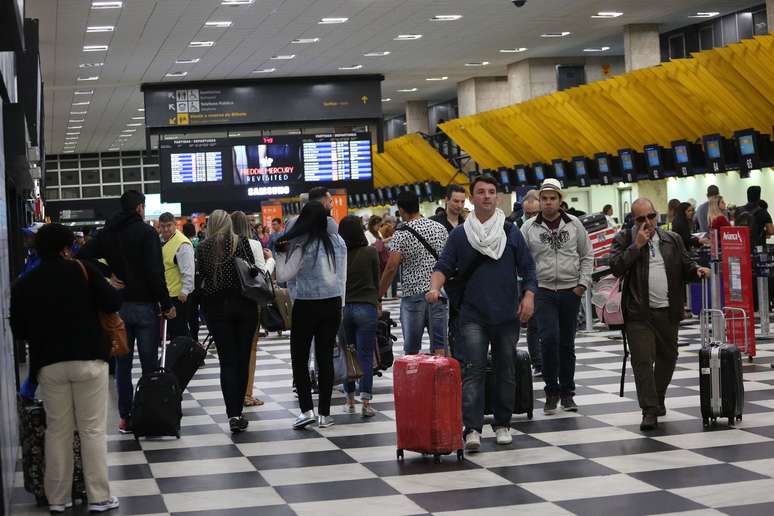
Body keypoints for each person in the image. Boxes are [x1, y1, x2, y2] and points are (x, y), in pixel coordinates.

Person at [11, 224, 122, 513]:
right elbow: (112, 302)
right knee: (92, 430)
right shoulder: (83, 271)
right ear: (66, 247)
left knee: (57, 431)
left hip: (49, 365)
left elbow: (19, 328)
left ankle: (57, 499)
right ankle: (99, 497)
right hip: (89, 359)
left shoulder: (26, 282)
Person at [427, 175, 536, 450]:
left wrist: (530, 296)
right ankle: (472, 428)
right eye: (481, 192)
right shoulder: (461, 235)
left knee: (506, 369)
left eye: (491, 192)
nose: (487, 196)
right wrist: (434, 288)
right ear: (472, 199)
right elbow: (443, 265)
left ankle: (502, 423)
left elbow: (528, 269)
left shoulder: (510, 232)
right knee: (473, 370)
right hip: (473, 315)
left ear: (497, 197)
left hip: (506, 315)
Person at [77, 190, 175, 434]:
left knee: (123, 365)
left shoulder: (107, 232)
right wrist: (166, 303)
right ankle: (151, 413)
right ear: (140, 208)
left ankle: (126, 417)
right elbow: (155, 272)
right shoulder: (147, 233)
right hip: (145, 307)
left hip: (119, 307)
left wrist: (107, 273)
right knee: (150, 363)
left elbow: (82, 256)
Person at [609, 198, 710, 430]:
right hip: (638, 313)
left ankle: (657, 396)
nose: (647, 222)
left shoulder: (671, 239)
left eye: (651, 216)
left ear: (658, 216)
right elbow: (615, 267)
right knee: (643, 361)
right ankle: (649, 410)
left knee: (668, 358)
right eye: (641, 219)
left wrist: (697, 271)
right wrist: (636, 246)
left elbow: (686, 265)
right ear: (633, 220)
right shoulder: (624, 239)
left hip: (668, 311)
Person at [522, 178, 593, 414]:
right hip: (542, 291)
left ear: (560, 200)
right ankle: (551, 391)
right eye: (545, 199)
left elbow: (586, 255)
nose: (549, 203)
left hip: (570, 291)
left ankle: (568, 394)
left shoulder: (574, 224)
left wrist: (581, 285)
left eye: (553, 198)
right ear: (540, 201)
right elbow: (522, 261)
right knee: (549, 340)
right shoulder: (529, 228)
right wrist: (527, 290)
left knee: (566, 343)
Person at [277, 202, 346, 429]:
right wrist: (341, 304)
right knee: (325, 357)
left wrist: (279, 255)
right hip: (334, 304)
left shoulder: (301, 243)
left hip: (307, 305)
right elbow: (342, 277)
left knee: (300, 356)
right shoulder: (339, 242)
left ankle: (307, 410)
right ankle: (325, 415)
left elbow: (284, 275)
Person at [195, 210, 260, 433]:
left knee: (227, 362)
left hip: (216, 311)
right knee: (242, 360)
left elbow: (201, 277)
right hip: (244, 308)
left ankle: (232, 413)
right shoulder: (241, 242)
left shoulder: (203, 248)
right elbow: (252, 272)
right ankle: (239, 411)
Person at [379, 190, 449, 355]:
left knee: (412, 349)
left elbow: (391, 267)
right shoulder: (439, 228)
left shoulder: (401, 233)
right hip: (437, 292)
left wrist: (379, 294)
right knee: (440, 345)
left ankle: (415, 379)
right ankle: (441, 379)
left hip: (413, 295)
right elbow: (448, 259)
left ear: (402, 210)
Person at [338, 215, 380, 417]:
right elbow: (376, 280)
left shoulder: (339, 254)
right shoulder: (371, 252)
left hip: (344, 308)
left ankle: (349, 400)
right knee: (365, 355)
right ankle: (366, 403)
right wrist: (377, 302)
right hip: (366, 307)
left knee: (348, 353)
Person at [231, 211, 274, 408]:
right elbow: (261, 276)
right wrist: (271, 260)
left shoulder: (224, 244)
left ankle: (233, 393)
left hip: (229, 303)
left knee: (233, 349)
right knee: (250, 348)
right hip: (250, 302)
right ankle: (247, 394)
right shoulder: (254, 245)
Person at [430, 184, 468, 356]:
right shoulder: (434, 223)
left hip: (461, 283)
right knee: (438, 331)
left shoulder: (467, 224)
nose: (459, 205)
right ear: (446, 200)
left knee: (459, 326)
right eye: (455, 201)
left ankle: (459, 362)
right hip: (440, 280)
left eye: (462, 201)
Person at [158, 213, 195, 340]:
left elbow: (188, 269)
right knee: (175, 332)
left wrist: (185, 291)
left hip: (179, 297)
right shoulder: (164, 241)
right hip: (168, 294)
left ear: (175, 225)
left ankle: (187, 358)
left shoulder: (182, 243)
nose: (166, 229)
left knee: (180, 332)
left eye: (169, 226)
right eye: (163, 226)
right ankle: (179, 358)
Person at [522, 191, 542, 375]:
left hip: (552, 282)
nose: (530, 217)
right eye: (527, 214)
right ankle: (537, 362)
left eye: (534, 213)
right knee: (533, 325)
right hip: (531, 282)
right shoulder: (520, 228)